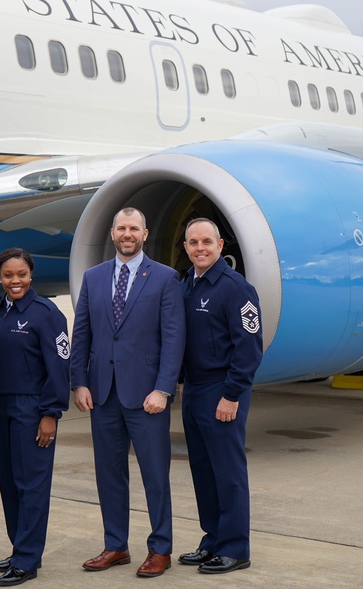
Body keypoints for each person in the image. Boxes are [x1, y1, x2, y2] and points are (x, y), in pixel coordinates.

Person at [70, 207, 185, 578]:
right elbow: (82, 333)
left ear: (145, 233)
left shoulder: (166, 278)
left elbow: (173, 338)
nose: (127, 233)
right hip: (103, 394)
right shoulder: (94, 277)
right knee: (109, 474)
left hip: (147, 396)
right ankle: (115, 545)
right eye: (121, 228)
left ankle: (161, 549)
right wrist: (80, 381)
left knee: (155, 475)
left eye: (134, 228)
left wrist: (164, 389)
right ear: (113, 232)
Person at [0, 248, 71, 586]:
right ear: (0, 278)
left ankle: (28, 559)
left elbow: (59, 368)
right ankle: (21, 547)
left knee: (31, 484)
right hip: (0, 407)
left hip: (33, 408)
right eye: (8, 275)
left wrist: (51, 414)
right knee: (8, 482)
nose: (15, 281)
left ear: (31, 275)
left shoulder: (47, 314)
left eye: (21, 274)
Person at [176, 218, 262, 574]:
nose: (200, 248)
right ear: (185, 247)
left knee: (227, 473)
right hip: (194, 390)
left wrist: (232, 395)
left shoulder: (235, 288)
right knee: (203, 471)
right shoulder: (186, 284)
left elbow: (249, 348)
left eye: (207, 242)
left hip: (221, 390)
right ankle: (212, 539)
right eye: (194, 242)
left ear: (221, 245)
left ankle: (235, 548)